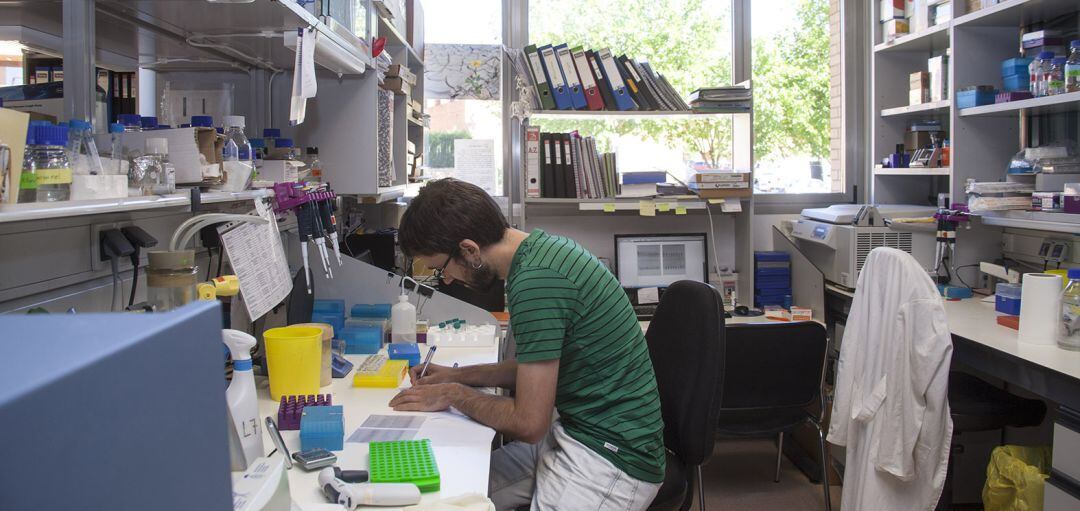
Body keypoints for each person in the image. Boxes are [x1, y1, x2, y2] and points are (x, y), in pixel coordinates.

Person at [389, 179, 665, 510]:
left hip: (610, 458)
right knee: (451, 495)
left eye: (440, 268)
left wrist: (452, 394)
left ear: (469, 250)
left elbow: (529, 423)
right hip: (578, 433)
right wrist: (457, 376)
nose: (445, 280)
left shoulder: (536, 284)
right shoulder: (542, 252)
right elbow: (534, 368)